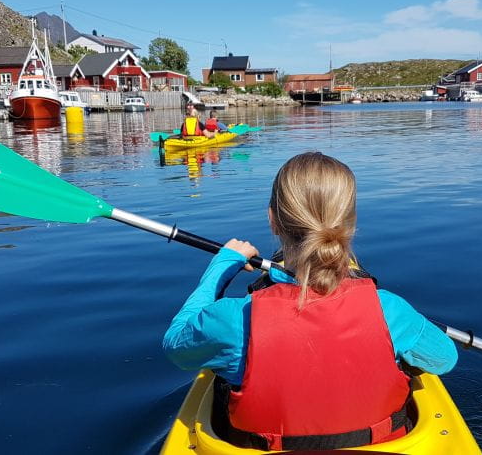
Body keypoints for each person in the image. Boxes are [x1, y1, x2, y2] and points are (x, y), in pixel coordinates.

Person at [163, 152, 457, 451]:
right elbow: (444, 359)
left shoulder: (232, 319)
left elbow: (175, 345)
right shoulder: (389, 310)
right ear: (350, 224)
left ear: (272, 220)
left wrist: (222, 266)